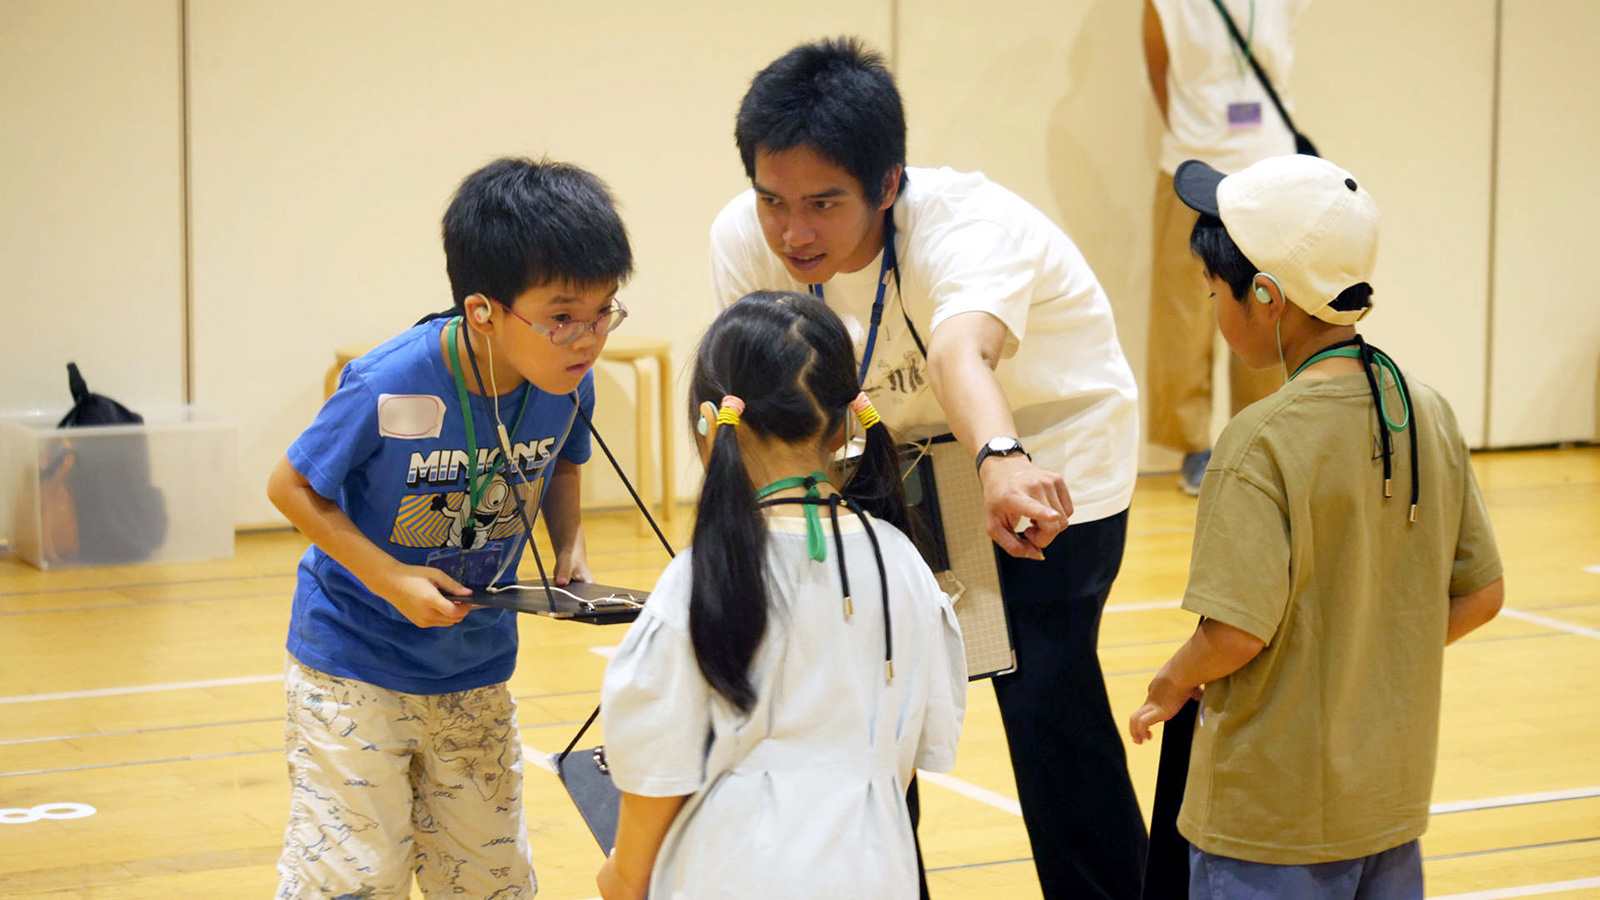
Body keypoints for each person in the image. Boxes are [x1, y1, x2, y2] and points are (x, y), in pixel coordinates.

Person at [709, 37, 1146, 900]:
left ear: (889, 183)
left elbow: (957, 353)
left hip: (1043, 457)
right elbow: (747, 392)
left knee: (1046, 703)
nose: (793, 233)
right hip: (882, 457)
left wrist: (999, 460)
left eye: (824, 204)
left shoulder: (971, 226)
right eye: (773, 200)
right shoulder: (742, 238)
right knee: (865, 703)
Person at [1127, 154, 1505, 896]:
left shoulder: (1258, 440)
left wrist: (1172, 680)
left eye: (1214, 294)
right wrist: (1367, 660)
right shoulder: (1425, 408)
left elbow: (1234, 634)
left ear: (1265, 297)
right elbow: (1481, 593)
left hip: (1268, 823)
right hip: (1390, 809)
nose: (1213, 309)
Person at [265, 157, 633, 899]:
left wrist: (571, 544)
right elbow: (292, 487)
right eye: (562, 316)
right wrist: (392, 578)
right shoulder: (388, 381)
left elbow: (563, 462)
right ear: (483, 311)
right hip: (353, 661)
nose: (586, 338)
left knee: (489, 880)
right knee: (354, 879)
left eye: (604, 311)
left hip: (474, 666)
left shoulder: (570, 380)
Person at [595, 291, 967, 900]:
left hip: (728, 871)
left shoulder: (701, 575)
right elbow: (916, 747)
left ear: (710, 425)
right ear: (850, 423)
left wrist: (622, 878)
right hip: (879, 870)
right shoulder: (906, 564)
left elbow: (653, 776)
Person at [1143, 0, 1311, 494]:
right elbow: (1161, 72)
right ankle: (1195, 446)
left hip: (1272, 161)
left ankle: (1263, 436)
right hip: (1189, 163)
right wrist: (1197, 128)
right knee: (1183, 311)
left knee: (1271, 303)